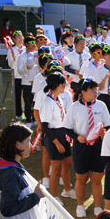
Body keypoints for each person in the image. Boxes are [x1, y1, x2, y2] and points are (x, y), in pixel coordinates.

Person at [64, 78, 110, 218]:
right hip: (82, 145)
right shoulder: (74, 107)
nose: (95, 92)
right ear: (83, 92)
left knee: (97, 179)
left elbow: (108, 125)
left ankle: (97, 206)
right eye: (92, 90)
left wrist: (104, 132)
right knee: (81, 179)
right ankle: (80, 205)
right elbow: (67, 128)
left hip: (98, 145)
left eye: (96, 89)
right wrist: (77, 136)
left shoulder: (101, 105)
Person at [39, 72, 76, 206]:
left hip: (62, 133)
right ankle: (53, 197)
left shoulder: (58, 98)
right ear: (59, 85)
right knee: (56, 168)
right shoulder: (47, 101)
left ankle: (67, 190)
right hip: (53, 135)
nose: (66, 85)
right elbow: (45, 126)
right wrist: (57, 143)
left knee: (67, 164)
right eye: (64, 83)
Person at [17, 36, 38, 127]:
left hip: (36, 82)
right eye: (31, 43)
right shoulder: (21, 57)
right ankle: (28, 119)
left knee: (36, 102)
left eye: (34, 43)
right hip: (26, 82)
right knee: (28, 102)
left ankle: (35, 119)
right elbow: (19, 70)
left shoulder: (37, 54)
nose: (34, 45)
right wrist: (27, 68)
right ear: (26, 44)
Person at [7, 31, 26, 121]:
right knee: (17, 95)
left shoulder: (26, 49)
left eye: (21, 36)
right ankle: (18, 113)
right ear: (14, 39)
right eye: (18, 36)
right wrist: (13, 59)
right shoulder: (11, 50)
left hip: (25, 76)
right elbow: (10, 65)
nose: (20, 38)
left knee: (26, 95)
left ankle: (27, 112)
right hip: (16, 75)